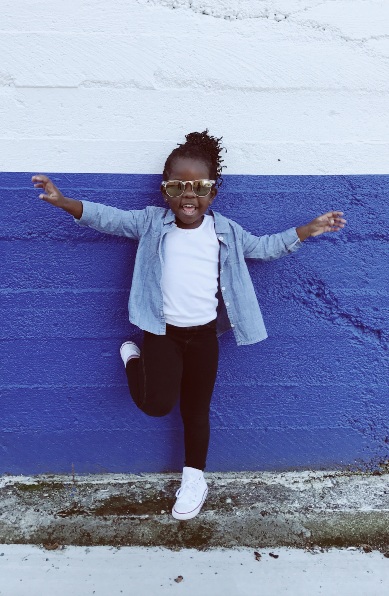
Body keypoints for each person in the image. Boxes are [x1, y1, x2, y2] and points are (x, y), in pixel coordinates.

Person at [32, 130, 346, 521]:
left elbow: (264, 248)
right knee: (156, 404)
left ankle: (195, 478)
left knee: (196, 410)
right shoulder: (151, 223)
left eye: (199, 187)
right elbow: (109, 218)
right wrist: (65, 203)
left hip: (203, 336)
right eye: (178, 186)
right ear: (165, 191)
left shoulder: (225, 230)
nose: (188, 195)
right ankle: (133, 359)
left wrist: (309, 229)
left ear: (213, 192)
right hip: (161, 333)